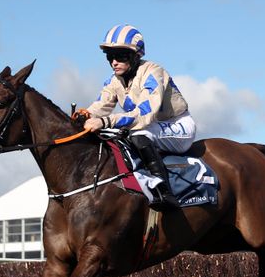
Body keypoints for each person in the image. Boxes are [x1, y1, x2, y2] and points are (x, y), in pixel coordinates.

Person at [74, 24, 196, 210]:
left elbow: (145, 115)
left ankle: (164, 191)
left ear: (135, 55)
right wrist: (85, 115)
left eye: (120, 56)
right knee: (111, 136)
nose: (114, 62)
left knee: (140, 134)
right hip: (149, 126)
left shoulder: (154, 72)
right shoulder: (114, 81)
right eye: (110, 57)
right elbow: (101, 105)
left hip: (177, 125)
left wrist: (105, 121)